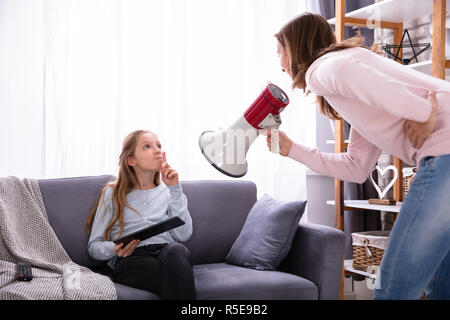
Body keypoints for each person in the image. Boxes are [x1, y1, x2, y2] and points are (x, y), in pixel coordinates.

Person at [266, 12, 450, 300]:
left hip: (444, 150)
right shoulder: (351, 71)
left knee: (393, 286)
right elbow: (356, 167)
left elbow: (358, 79)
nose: (280, 65)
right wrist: (292, 150)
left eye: (281, 53)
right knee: (441, 281)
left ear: (298, 46)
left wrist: (424, 114)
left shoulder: (322, 70)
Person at [86, 129, 196, 300]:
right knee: (175, 276)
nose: (158, 150)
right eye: (147, 146)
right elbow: (94, 247)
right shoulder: (112, 193)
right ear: (131, 160)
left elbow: (184, 234)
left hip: (166, 252)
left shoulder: (169, 192)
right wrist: (115, 249)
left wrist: (175, 188)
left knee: (177, 251)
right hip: (130, 258)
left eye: (159, 145)